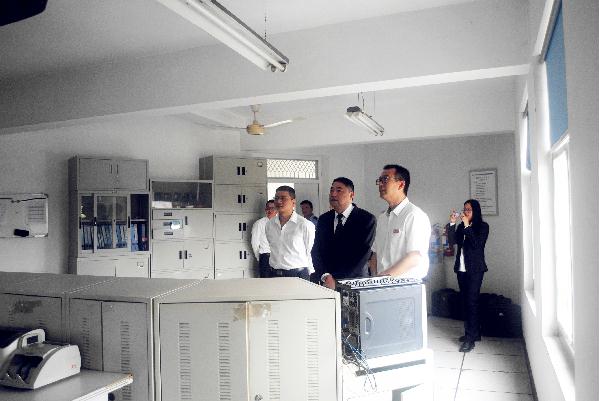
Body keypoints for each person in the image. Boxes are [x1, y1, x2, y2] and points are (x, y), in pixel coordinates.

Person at [311, 177, 376, 289]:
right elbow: (316, 251)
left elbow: (362, 255)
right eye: (331, 190)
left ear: (351, 195)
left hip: (354, 282)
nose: (333, 194)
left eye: (339, 190)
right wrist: (325, 275)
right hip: (326, 282)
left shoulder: (366, 219)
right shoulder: (324, 219)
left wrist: (336, 280)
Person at [370, 164, 431, 279]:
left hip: (405, 285)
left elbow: (414, 257)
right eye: (380, 180)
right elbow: (375, 254)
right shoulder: (382, 218)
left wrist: (383, 278)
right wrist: (374, 279)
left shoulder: (414, 215)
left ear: (401, 184)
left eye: (385, 179)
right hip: (382, 284)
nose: (381, 184)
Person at [447, 199, 489, 353]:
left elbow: (477, 244)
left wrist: (467, 226)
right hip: (461, 269)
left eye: (469, 210)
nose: (465, 212)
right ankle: (473, 333)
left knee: (472, 302)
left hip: (475, 270)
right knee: (466, 302)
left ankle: (470, 339)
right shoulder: (461, 226)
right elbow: (452, 241)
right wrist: (452, 223)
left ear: (475, 211)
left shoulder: (483, 227)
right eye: (464, 209)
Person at [265, 186, 315, 280]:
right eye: (276, 198)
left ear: (293, 202)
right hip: (273, 274)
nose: (279, 201)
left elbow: (310, 251)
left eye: (283, 198)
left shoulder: (305, 224)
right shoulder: (270, 224)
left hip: (297, 275)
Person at [251, 199, 277, 278]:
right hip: (265, 257)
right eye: (267, 208)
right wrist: (260, 258)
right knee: (265, 282)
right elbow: (254, 242)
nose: (269, 210)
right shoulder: (259, 223)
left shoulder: (280, 223)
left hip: (278, 258)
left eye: (272, 208)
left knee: (278, 281)